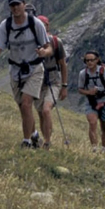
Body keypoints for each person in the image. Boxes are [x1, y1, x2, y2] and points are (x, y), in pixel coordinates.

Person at [0, 0, 51, 148]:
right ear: (9, 7)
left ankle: (26, 141)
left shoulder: (35, 23)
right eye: (12, 5)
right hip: (16, 70)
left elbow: (48, 47)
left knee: (27, 104)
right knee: (22, 107)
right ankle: (34, 135)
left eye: (18, 4)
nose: (15, 8)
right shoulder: (5, 26)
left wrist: (43, 53)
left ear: (24, 5)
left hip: (35, 69)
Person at [35, 15, 68, 149]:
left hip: (53, 79)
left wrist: (64, 86)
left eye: (43, 25)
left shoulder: (56, 42)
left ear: (47, 26)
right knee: (40, 113)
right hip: (37, 81)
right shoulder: (32, 42)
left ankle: (47, 141)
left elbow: (63, 64)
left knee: (46, 109)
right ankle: (45, 139)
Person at [78, 51, 105, 153]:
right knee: (92, 122)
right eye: (87, 60)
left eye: (92, 60)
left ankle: (104, 148)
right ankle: (94, 148)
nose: (89, 62)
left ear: (97, 60)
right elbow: (80, 89)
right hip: (92, 102)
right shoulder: (83, 74)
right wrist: (89, 92)